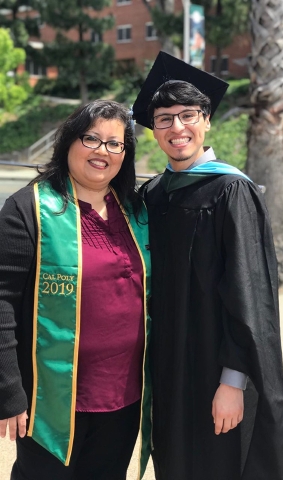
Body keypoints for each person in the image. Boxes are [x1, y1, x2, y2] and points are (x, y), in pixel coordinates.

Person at [133, 51, 283, 480]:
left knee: (217, 465)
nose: (176, 127)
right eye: (163, 118)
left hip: (214, 367)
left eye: (188, 115)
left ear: (206, 120)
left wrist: (233, 383)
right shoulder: (155, 194)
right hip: (168, 368)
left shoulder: (230, 191)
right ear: (153, 131)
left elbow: (248, 293)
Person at [0, 100, 152, 480]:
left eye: (115, 144)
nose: (103, 151)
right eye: (91, 138)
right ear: (69, 142)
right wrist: (8, 391)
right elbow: (1, 302)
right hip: (52, 399)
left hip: (124, 396)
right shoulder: (28, 209)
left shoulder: (136, 211)